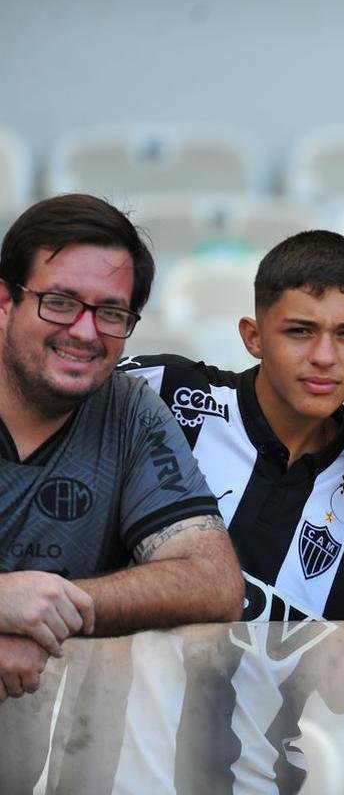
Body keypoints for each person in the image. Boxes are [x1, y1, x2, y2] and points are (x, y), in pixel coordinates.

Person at [103, 230, 344, 793]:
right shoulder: (161, 394)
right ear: (253, 335)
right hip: (100, 776)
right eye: (300, 331)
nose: (324, 357)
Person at [0, 194, 243, 704]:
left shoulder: (131, 411)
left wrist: (50, 611)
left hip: (55, 750)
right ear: (5, 302)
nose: (85, 332)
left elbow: (213, 580)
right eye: (60, 302)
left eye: (111, 312)